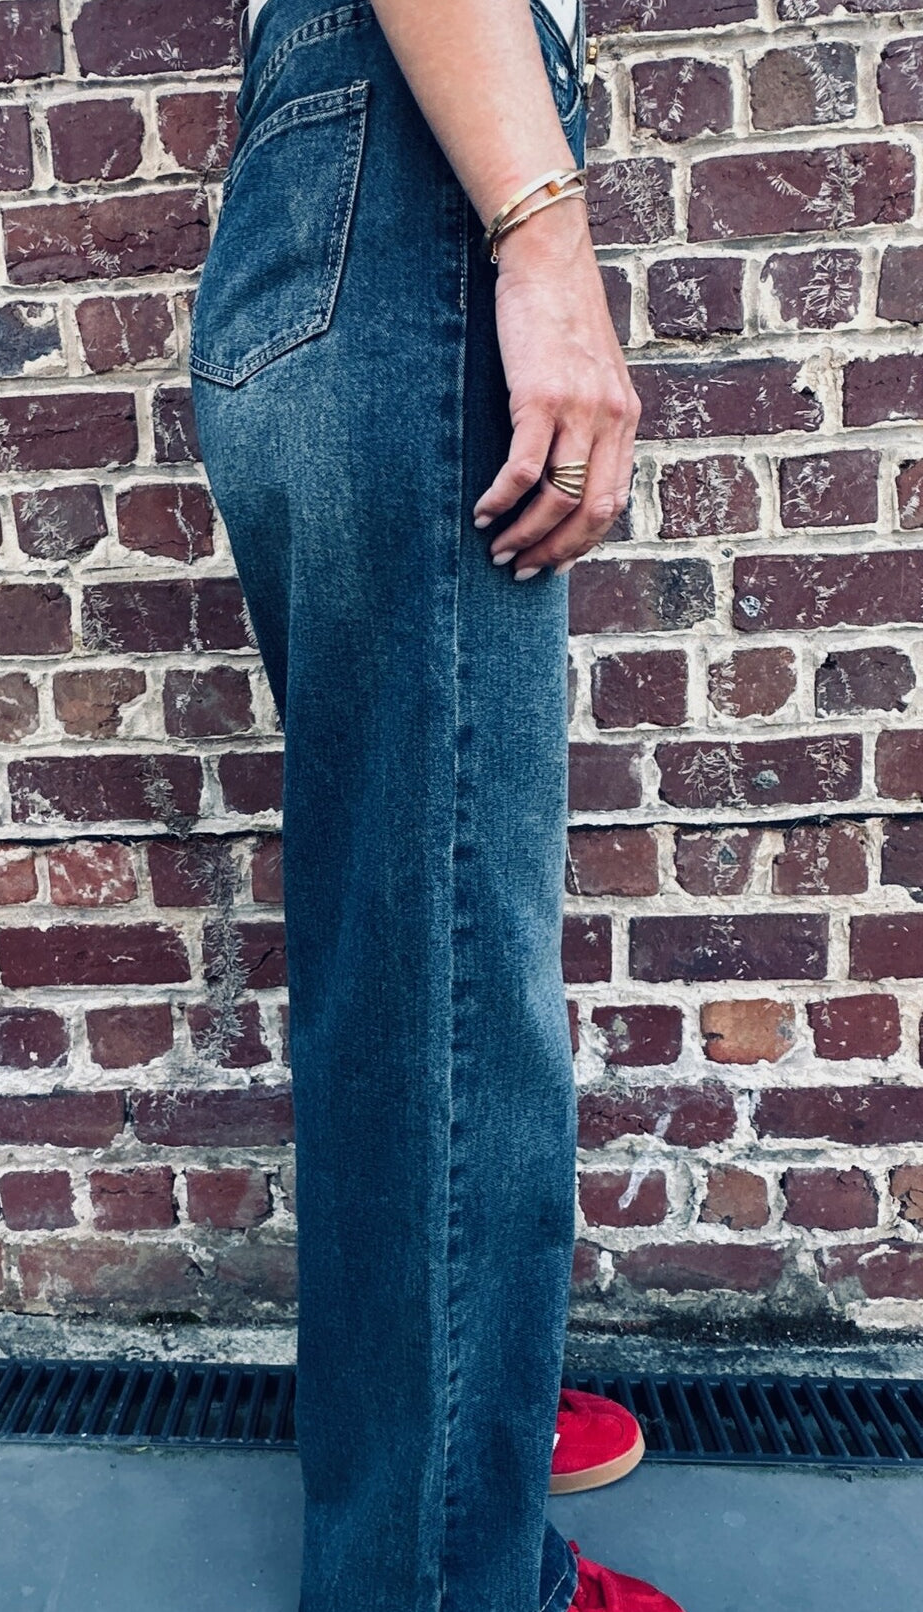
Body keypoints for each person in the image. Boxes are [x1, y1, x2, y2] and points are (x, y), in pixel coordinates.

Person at [188, 1, 682, 1607]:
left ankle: (451, 1425)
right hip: (415, 182)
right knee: (447, 967)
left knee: (404, 939)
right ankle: (448, 1575)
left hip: (335, 180)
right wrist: (544, 237)